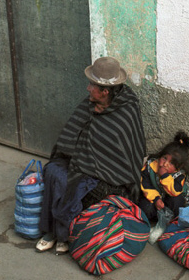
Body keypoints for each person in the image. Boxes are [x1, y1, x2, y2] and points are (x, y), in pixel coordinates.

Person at [36, 56, 146, 255]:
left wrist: (89, 163)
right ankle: (53, 231)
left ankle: (64, 234)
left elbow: (128, 154)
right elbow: (70, 137)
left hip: (110, 177)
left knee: (76, 186)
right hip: (79, 162)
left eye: (92, 85)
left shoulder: (127, 109)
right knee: (54, 172)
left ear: (105, 91)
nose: (88, 89)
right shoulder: (90, 103)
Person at [138, 131, 189, 223]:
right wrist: (156, 199)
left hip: (169, 201)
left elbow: (175, 191)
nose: (165, 164)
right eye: (164, 158)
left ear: (177, 168)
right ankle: (152, 221)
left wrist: (164, 176)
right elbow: (145, 185)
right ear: (160, 156)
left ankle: (172, 221)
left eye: (171, 163)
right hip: (154, 199)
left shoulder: (179, 175)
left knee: (177, 200)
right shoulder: (150, 166)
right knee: (144, 207)